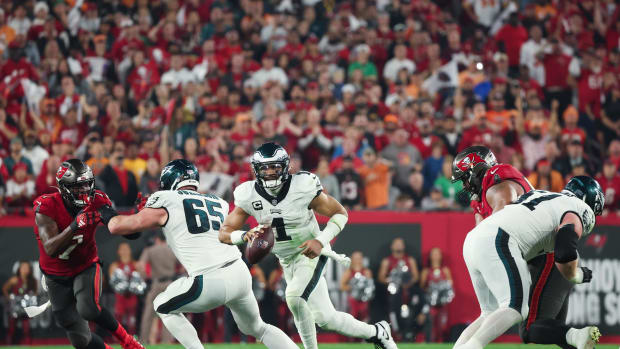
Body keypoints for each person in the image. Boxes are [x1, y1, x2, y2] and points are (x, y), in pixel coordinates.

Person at [97, 159, 298, 349]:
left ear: (169, 181)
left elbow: (118, 227)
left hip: (210, 279)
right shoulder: (217, 201)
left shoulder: (166, 198)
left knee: (161, 304)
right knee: (257, 328)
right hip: (239, 272)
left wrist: (105, 210)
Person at [219, 142, 397, 349]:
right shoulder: (248, 194)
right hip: (286, 260)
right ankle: (378, 332)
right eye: (264, 168)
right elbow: (224, 232)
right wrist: (244, 235)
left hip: (310, 253)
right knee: (327, 319)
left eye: (274, 167)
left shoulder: (302, 186)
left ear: (285, 167)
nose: (269, 172)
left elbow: (340, 213)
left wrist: (320, 241)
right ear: (255, 171)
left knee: (294, 297)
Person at [451, 145, 596, 349]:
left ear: (478, 169)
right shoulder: (560, 204)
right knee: (517, 311)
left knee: (507, 314)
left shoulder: (498, 177)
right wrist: (578, 275)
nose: (465, 186)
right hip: (511, 243)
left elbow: (504, 205)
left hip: (522, 248)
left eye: (466, 178)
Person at [32, 159, 144, 349]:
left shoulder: (97, 200)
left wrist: (139, 219)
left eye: (87, 184)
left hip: (85, 266)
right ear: (64, 188)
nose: (85, 190)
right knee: (81, 341)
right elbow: (51, 249)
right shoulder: (46, 207)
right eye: (79, 186)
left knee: (88, 309)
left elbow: (126, 231)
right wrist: (75, 225)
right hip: (55, 276)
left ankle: (129, 342)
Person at [137, 234, 176, 345]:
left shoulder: (150, 250)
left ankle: (143, 341)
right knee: (169, 313)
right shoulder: (172, 250)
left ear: (156, 239)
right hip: (170, 284)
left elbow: (140, 265)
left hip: (156, 284)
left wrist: (145, 277)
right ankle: (166, 342)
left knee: (148, 314)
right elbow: (183, 266)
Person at [420, 248, 453, 342]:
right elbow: (422, 287)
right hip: (430, 303)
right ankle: (429, 342)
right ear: (430, 257)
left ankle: (441, 342)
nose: (435, 256)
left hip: (442, 303)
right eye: (433, 254)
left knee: (442, 324)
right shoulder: (426, 271)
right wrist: (432, 290)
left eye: (437, 254)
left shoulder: (445, 270)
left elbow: (450, 285)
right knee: (430, 323)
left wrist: (441, 289)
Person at [2, 261, 37, 345]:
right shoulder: (14, 280)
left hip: (25, 309)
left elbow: (35, 293)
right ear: (19, 269)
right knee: (11, 328)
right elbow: (4, 289)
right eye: (23, 268)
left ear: (30, 270)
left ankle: (28, 345)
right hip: (15, 308)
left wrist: (30, 300)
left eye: (27, 268)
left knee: (26, 328)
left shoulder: (33, 281)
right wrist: (10, 298)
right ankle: (8, 345)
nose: (25, 270)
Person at [109, 243, 139, 335]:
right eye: (122, 249)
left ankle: (132, 341)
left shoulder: (135, 264)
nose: (125, 251)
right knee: (118, 320)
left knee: (132, 321)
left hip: (132, 297)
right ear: (118, 252)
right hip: (120, 298)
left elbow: (140, 281)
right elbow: (112, 282)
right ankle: (118, 342)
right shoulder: (114, 265)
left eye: (127, 249)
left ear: (130, 251)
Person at [340, 251, 373, 323]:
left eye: (359, 258)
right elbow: (342, 286)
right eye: (356, 258)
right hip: (353, 301)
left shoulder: (367, 271)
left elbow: (371, 286)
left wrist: (365, 289)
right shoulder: (349, 272)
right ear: (352, 260)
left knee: (365, 318)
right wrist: (354, 287)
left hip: (364, 300)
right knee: (353, 318)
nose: (358, 260)